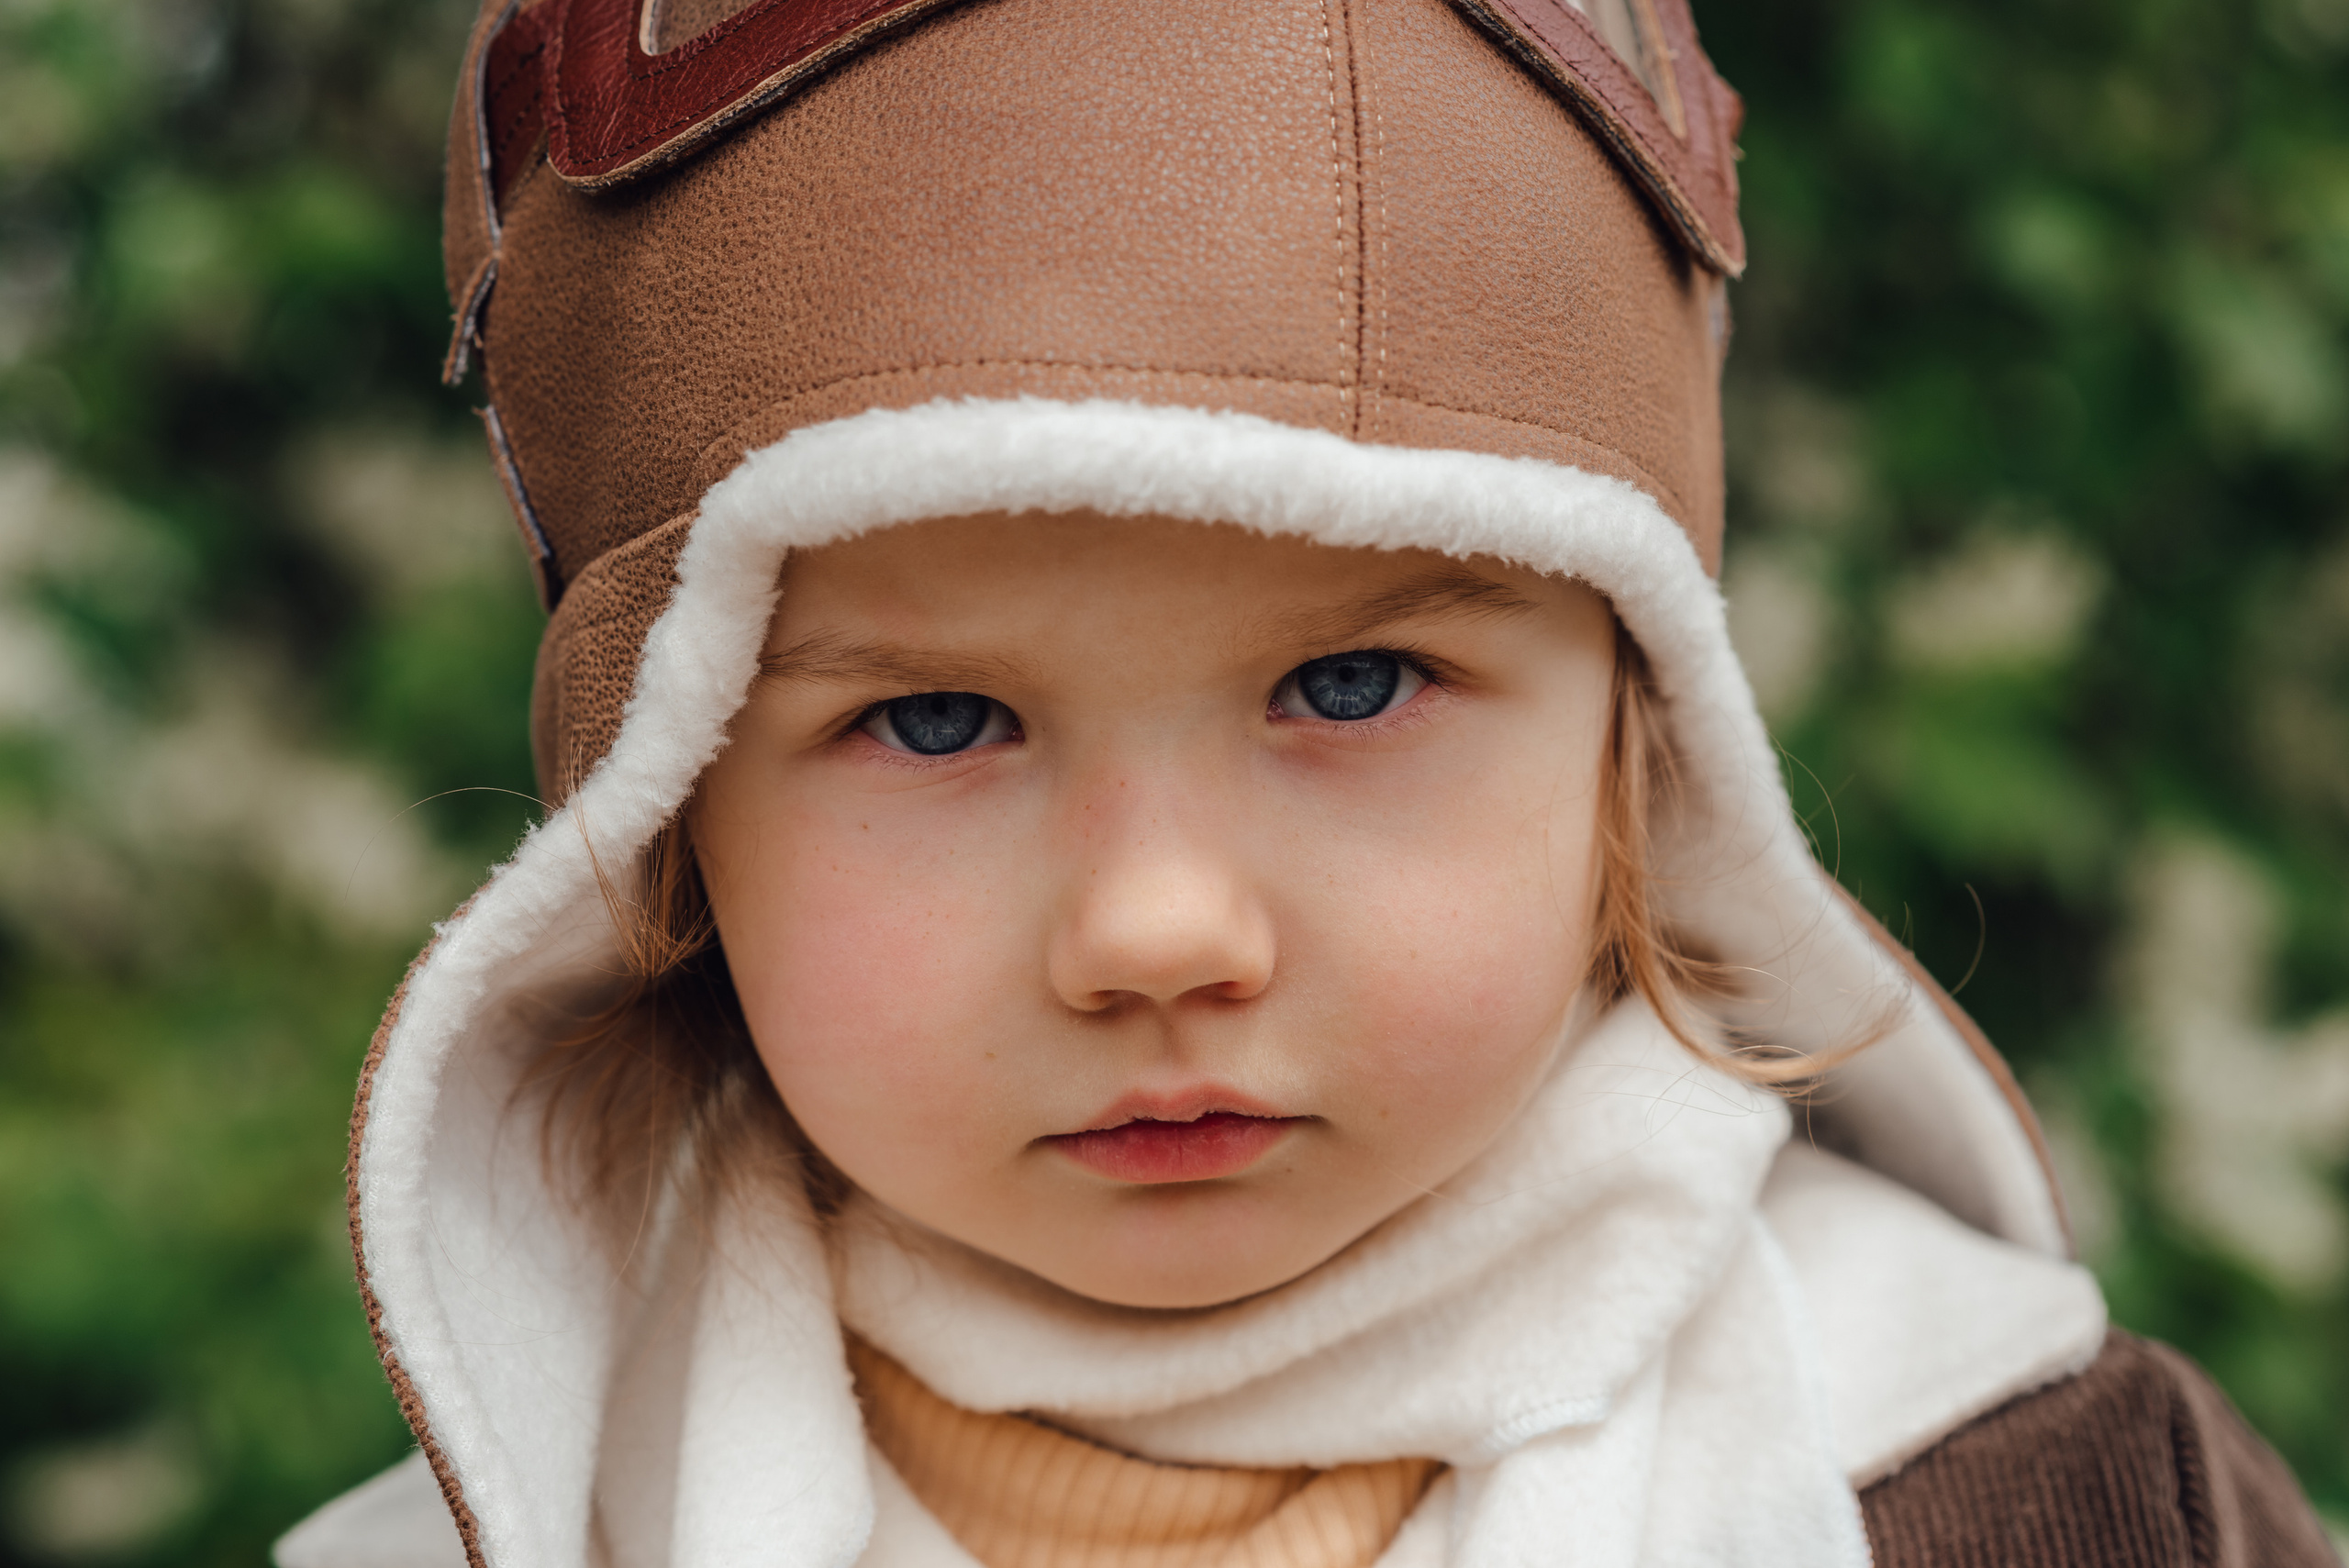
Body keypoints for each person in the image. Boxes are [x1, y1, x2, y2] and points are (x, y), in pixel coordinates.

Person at [276, 0, 2340, 1563]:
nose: (1155, 932)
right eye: (932, 722)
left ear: (1641, 745)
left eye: (1351, 682)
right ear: (672, 812)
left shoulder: (2039, 1495)